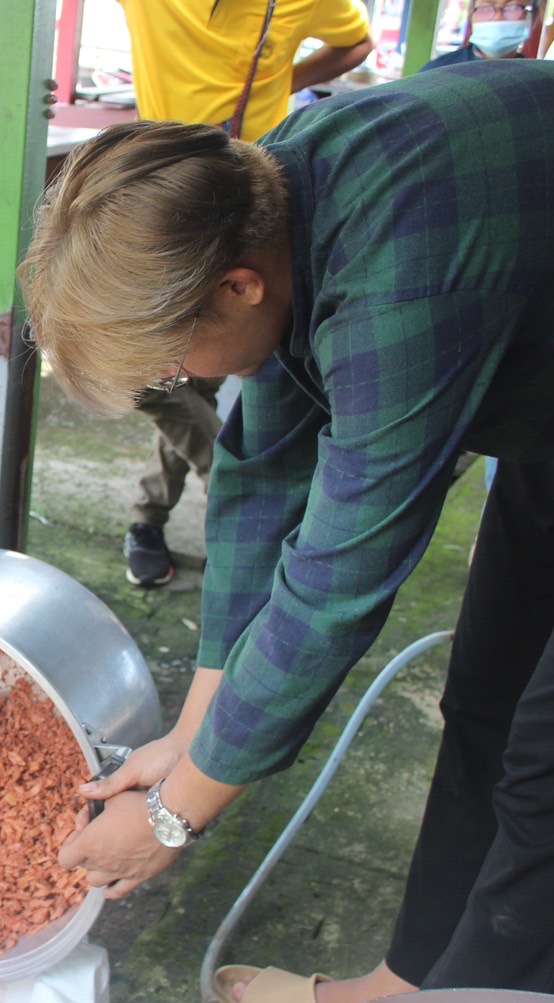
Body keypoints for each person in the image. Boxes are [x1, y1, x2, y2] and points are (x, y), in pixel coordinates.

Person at [20, 60, 554, 1003]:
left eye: (172, 362)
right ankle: (409, 981)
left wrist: (177, 814)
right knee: (484, 696)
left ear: (236, 285)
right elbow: (259, 480)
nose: (181, 382)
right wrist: (190, 733)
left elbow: (338, 573)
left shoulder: (398, 275)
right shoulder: (272, 200)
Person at [113, 0, 374, 586]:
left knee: (188, 382)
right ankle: (200, 496)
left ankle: (207, 501)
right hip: (168, 212)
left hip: (258, 218)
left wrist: (284, 79)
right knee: (164, 384)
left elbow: (356, 43)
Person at [422, 0, 537, 69]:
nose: (498, 17)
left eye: (513, 7)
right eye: (486, 7)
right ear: (472, 15)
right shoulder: (437, 70)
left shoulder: (535, 78)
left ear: (530, 17)